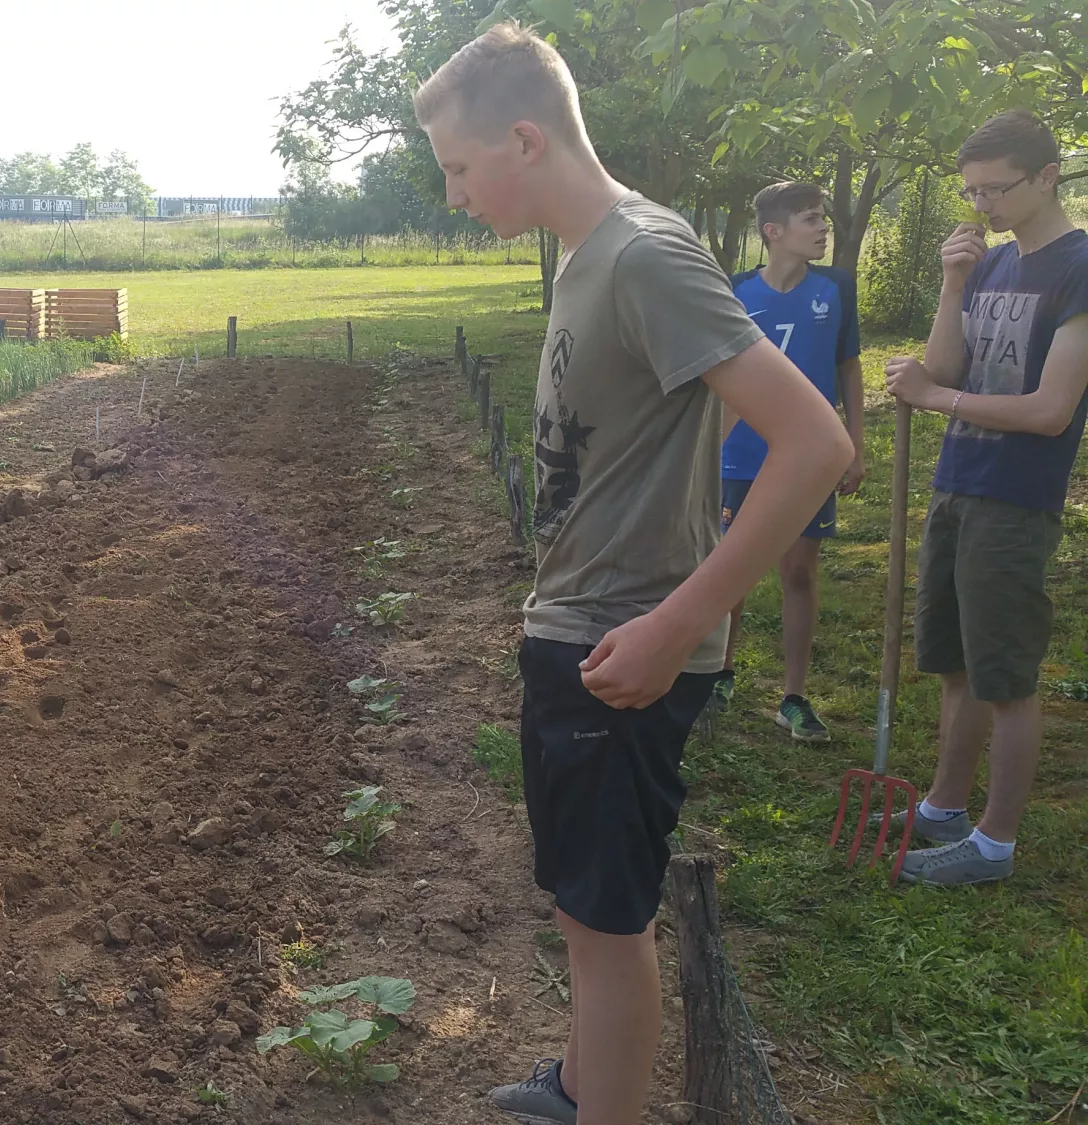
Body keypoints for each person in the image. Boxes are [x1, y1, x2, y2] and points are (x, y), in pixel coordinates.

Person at [411, 24, 852, 1125]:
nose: (455, 196)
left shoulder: (645, 255)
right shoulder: (588, 251)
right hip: (584, 627)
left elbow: (814, 445)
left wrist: (676, 623)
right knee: (580, 907)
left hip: (622, 646)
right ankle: (579, 1082)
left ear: (521, 140)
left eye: (458, 170)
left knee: (606, 930)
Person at [883, 109, 1088, 887]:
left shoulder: (1078, 268)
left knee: (1006, 676)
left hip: (1015, 497)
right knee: (956, 664)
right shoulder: (994, 264)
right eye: (971, 193)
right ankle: (942, 805)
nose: (983, 207)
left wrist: (939, 401)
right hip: (958, 483)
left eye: (996, 190)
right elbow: (946, 364)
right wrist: (954, 281)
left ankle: (994, 842)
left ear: (1046, 177)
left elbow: (1049, 409)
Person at [717, 182, 867, 740]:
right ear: (773, 232)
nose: (824, 228)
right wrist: (712, 447)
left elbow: (848, 367)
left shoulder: (837, 288)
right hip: (741, 455)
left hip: (808, 459)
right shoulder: (735, 290)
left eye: (823, 218)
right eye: (811, 219)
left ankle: (794, 696)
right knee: (729, 567)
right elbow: (722, 370)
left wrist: (855, 441)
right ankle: (719, 670)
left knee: (799, 570)